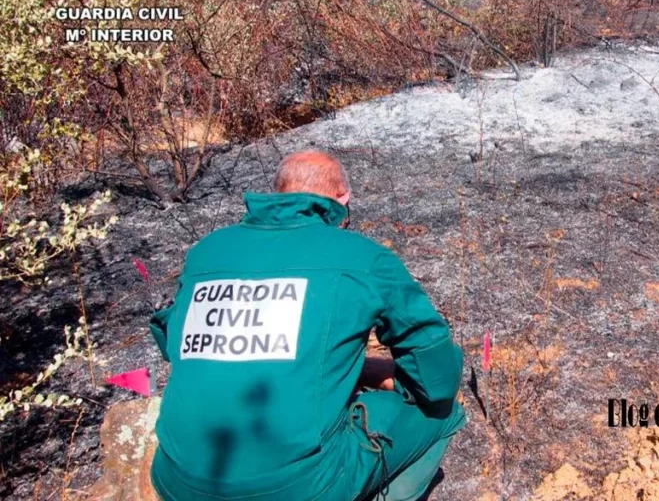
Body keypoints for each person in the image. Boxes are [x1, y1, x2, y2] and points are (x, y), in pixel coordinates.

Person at [148, 150, 465, 501]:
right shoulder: (361, 257)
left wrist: (355, 369)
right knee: (443, 413)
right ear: (343, 199)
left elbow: (174, 343)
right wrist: (385, 375)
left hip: (175, 482)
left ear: (278, 191)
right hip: (297, 489)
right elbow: (437, 380)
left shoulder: (206, 252)